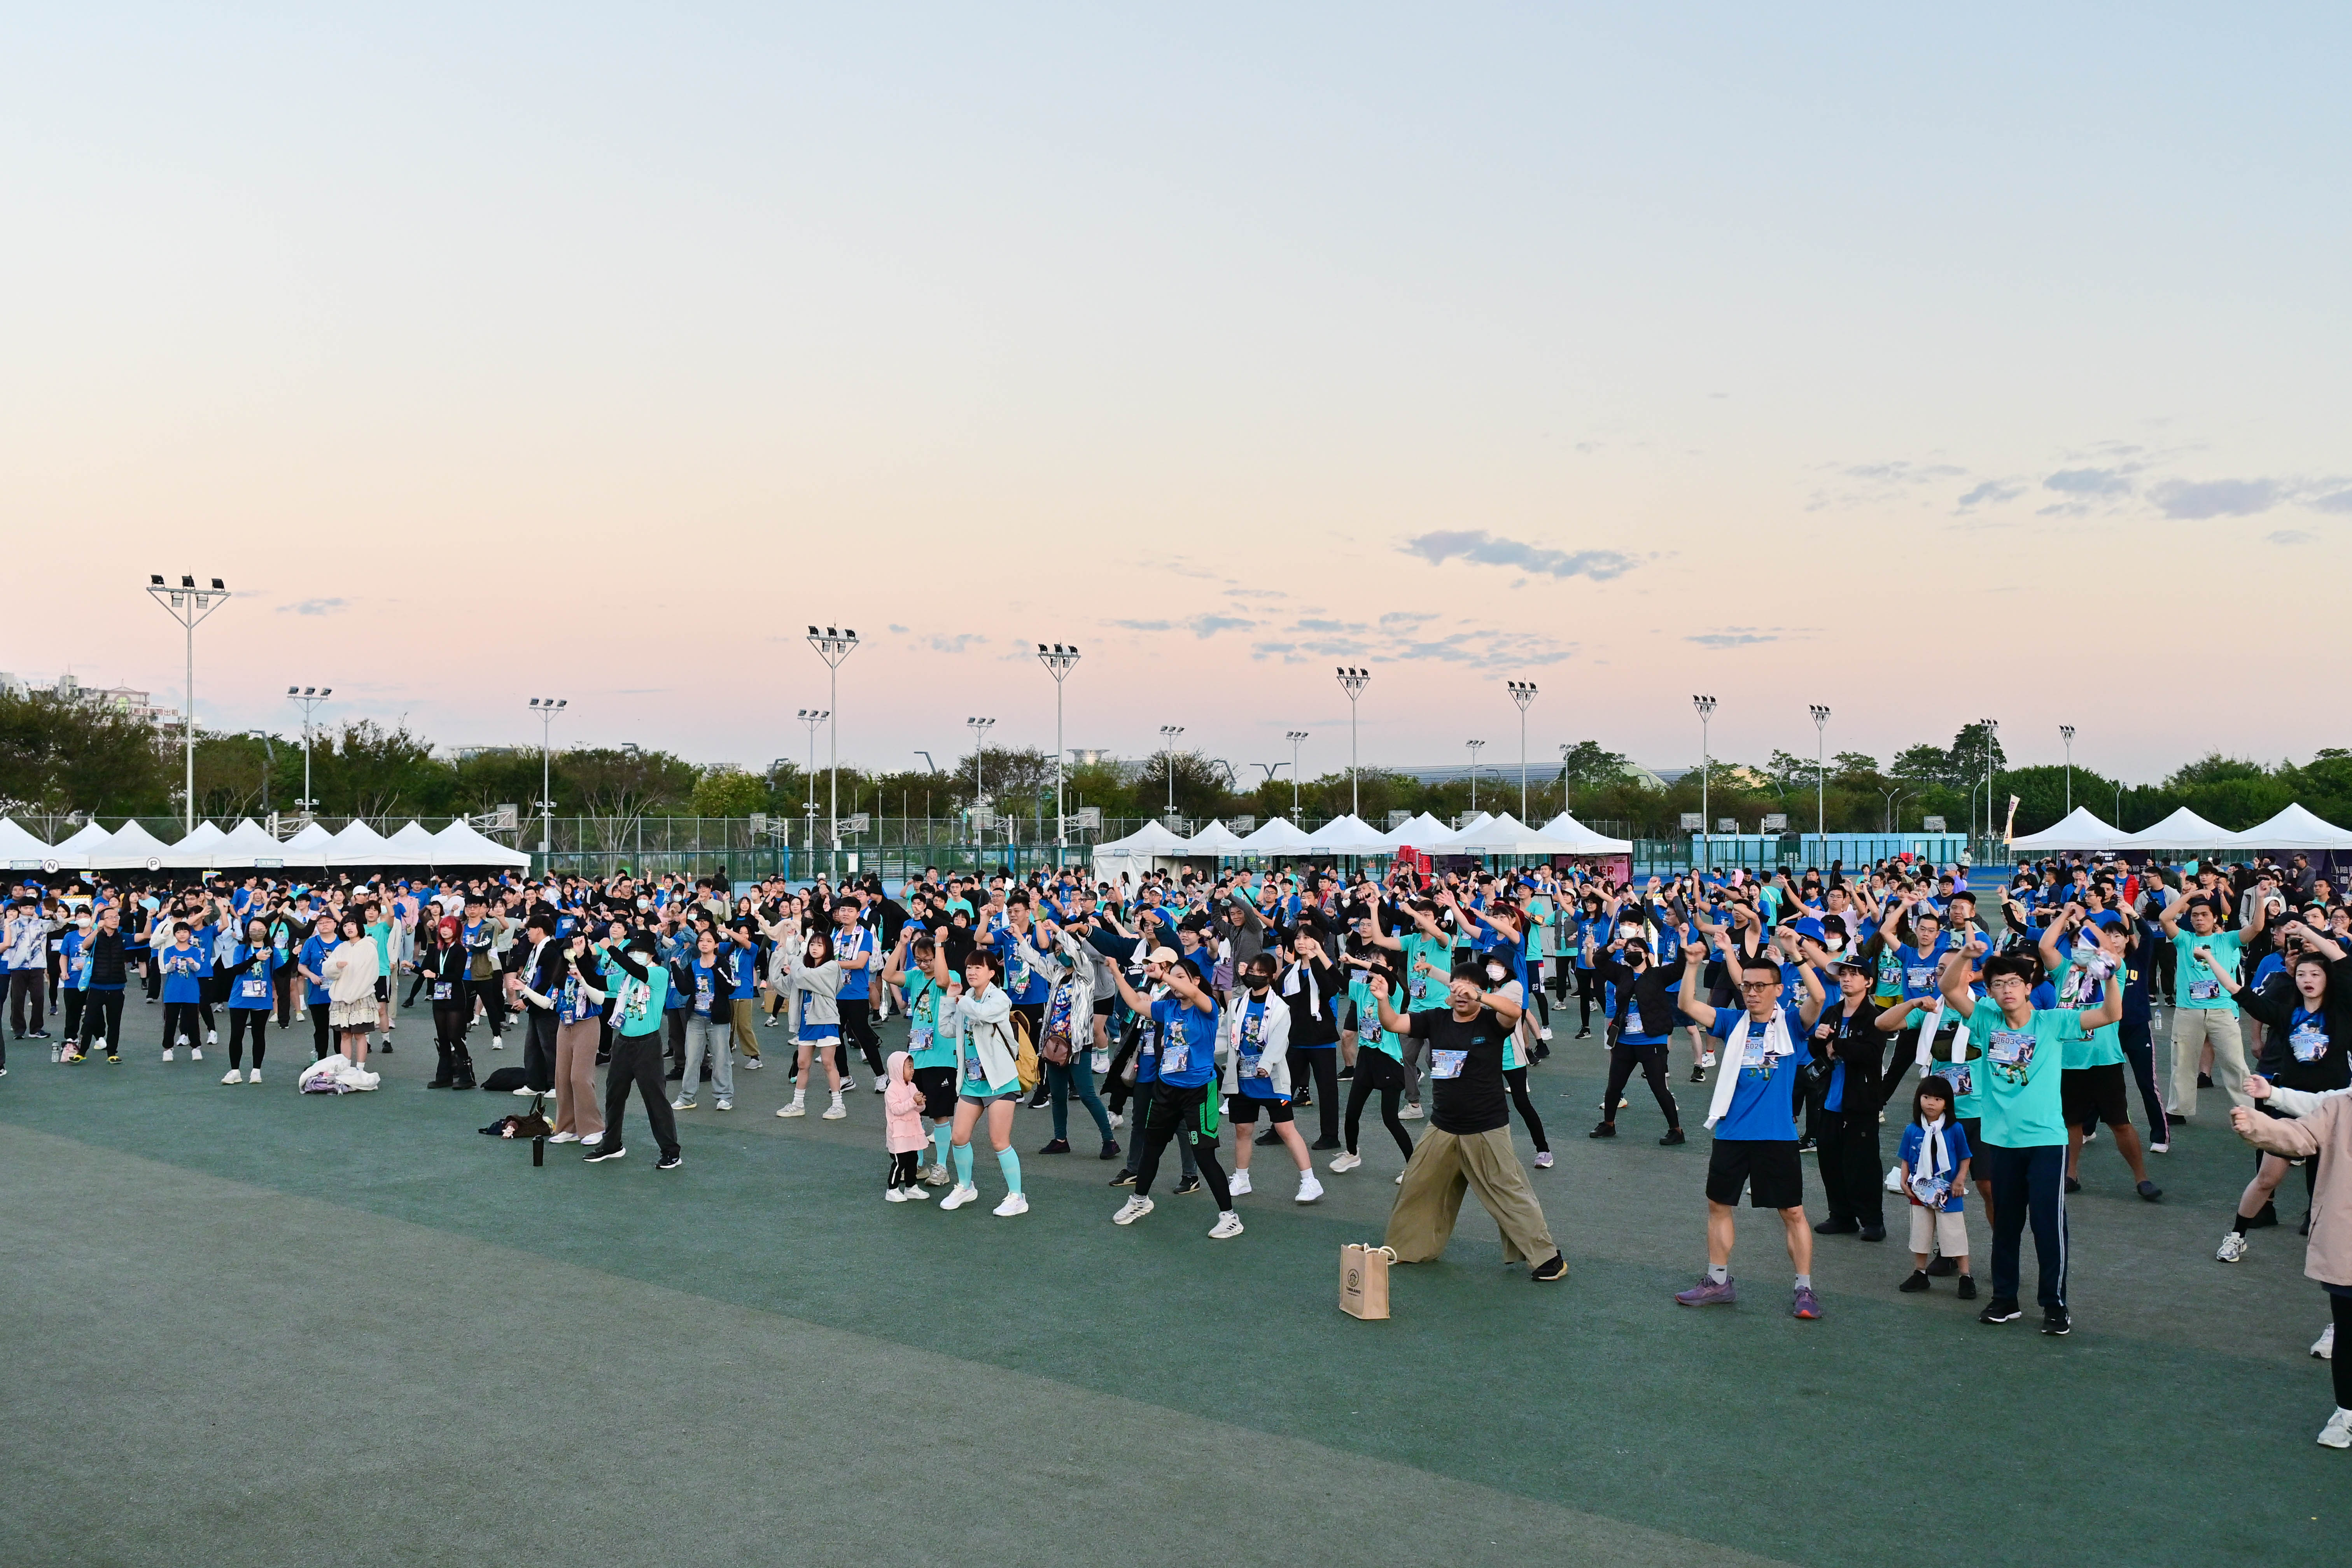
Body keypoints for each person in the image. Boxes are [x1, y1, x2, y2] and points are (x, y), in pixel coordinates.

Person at [1939, 942, 2122, 1335]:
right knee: (2006, 1225)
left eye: (2014, 983)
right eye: (1998, 984)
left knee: (2047, 1225)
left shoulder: (2052, 1022)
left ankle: (2055, 1304)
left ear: (2028, 987)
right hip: (2001, 1143)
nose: (2006, 990)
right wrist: (1966, 956)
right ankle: (2005, 1299)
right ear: (1990, 991)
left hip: (2046, 1144)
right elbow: (1949, 988)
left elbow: (2111, 1014)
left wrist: (2111, 978)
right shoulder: (1986, 1018)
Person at [1370, 960, 1567, 1283]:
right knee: (1417, 1186)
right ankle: (1406, 1248)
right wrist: (1382, 999)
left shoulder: (1492, 1021)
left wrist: (1479, 995)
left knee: (1509, 1193)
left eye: (1468, 990)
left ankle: (1549, 1258)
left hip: (1486, 1127)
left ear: (1481, 992)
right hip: (1442, 1126)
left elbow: (1514, 1012)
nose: (1461, 995)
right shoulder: (1435, 1018)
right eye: (1456, 988)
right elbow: (1392, 1023)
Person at [1672, 931, 1828, 1318]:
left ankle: (1805, 1289)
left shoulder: (1792, 1024)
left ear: (1778, 990)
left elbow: (1819, 999)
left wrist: (1797, 956)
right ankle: (1718, 1281)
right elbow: (1687, 1004)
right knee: (1718, 1205)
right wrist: (1692, 965)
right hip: (1731, 1132)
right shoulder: (1731, 1021)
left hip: (1777, 1135)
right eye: (1746, 986)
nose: (1752, 993)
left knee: (1793, 1212)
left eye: (1760, 986)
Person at [2210, 920, 2352, 1260]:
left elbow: (2342, 960)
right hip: (2288, 1106)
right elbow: (2241, 994)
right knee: (2267, 1178)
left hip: (2334, 1109)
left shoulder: (2343, 1010)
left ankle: (2327, 1249)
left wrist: (2306, 932)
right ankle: (2237, 1235)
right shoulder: (2287, 1012)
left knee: (2328, 1185)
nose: (2308, 980)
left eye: (2315, 974)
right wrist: (2209, 958)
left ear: (2328, 978)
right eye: (2302, 974)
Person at [2230, 1076, 2352, 1447]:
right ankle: (2347, 1414)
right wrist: (2259, 1127)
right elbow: (2300, 1135)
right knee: (2348, 1333)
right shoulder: (2341, 1105)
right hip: (2346, 1241)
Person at [1106, 947, 1242, 1238]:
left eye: (1182, 977)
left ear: (1196, 980)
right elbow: (1135, 1003)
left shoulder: (1207, 1008)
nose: (1175, 983)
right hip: (1167, 1088)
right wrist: (1116, 972)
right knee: (1152, 1147)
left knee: (1205, 1156)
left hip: (1198, 1092)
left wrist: (1165, 974)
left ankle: (1230, 1218)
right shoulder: (1167, 1008)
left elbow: (1192, 994)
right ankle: (1140, 1200)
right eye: (1173, 977)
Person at [2038, 910, 2163, 1201]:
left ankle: (2142, 1178)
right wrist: (2065, 915)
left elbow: (2109, 950)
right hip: (2068, 1061)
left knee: (2120, 1123)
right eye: (2074, 945)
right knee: (2072, 1122)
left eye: (2085, 945)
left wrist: (2087, 924)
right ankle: (2071, 1175)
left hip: (2105, 1059)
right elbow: (2045, 946)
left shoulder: (2111, 970)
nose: (2078, 950)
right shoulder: (2063, 971)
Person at [929, 945, 1029, 1217]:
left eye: (978, 968)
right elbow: (947, 1030)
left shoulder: (1000, 999)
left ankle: (1017, 1196)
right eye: (969, 967)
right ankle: (965, 1186)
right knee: (959, 1137)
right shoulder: (967, 1000)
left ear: (991, 973)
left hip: (1000, 1081)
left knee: (999, 1141)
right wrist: (949, 999)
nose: (971, 972)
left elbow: (982, 1014)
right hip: (971, 1081)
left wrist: (961, 1000)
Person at [1222, 953, 1324, 1205]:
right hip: (1243, 1081)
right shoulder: (1236, 1005)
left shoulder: (1280, 1009)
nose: (1255, 976)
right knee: (1243, 1129)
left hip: (1271, 1081)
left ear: (1271, 977)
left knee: (1285, 1129)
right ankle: (1242, 1178)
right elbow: (1225, 1036)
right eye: (1252, 972)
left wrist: (1266, 1065)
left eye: (1261, 973)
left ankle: (1310, 1181)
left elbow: (1280, 1041)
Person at [2159, 887, 2265, 1119]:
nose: (2200, 919)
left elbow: (2257, 927)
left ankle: (2250, 1109)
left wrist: (2260, 898)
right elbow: (2165, 919)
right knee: (2183, 1063)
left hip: (2222, 1011)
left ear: (2215, 918)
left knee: (2235, 1063)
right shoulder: (2184, 940)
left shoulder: (2228, 939)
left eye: (2205, 915)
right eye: (2195, 915)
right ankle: (2178, 1110)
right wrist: (2188, 897)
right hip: (2188, 1011)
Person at [584, 928, 682, 1170]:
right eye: (633, 951)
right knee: (614, 1095)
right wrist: (580, 958)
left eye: (640, 951)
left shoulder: (659, 973)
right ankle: (612, 1144)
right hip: (623, 1043)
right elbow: (597, 981)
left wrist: (610, 948)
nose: (635, 955)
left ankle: (671, 1151)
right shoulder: (625, 977)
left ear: (651, 954)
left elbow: (636, 969)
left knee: (655, 1098)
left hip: (647, 1044)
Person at [1808, 956, 1888, 1241]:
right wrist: (1818, 1039)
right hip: (1830, 1099)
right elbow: (1818, 1052)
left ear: (1868, 982)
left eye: (1854, 974)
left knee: (1863, 1164)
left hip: (1861, 1102)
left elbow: (1872, 1053)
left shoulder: (1875, 1017)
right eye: (1843, 973)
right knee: (1830, 1161)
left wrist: (1838, 1045)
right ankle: (1841, 1216)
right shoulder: (1832, 1012)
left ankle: (1873, 1221)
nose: (1847, 978)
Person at [1586, 929, 1686, 1145]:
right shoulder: (1622, 973)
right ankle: (1609, 1124)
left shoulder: (1658, 975)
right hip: (1624, 1040)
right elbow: (1599, 961)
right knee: (1614, 1086)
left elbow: (1680, 966)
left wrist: (1684, 940)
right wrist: (1613, 946)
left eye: (1636, 950)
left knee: (1659, 1087)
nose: (1631, 953)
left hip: (1653, 1040)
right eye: (1628, 951)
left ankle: (1676, 1130)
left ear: (1647, 954)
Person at [521, 933, 607, 1146]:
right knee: (562, 1078)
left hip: (587, 1025)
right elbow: (547, 1002)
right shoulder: (561, 976)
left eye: (576, 946)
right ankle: (568, 1127)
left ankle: (594, 1127)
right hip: (564, 1026)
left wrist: (582, 979)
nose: (572, 952)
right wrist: (525, 990)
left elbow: (600, 999)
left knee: (580, 1078)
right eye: (569, 948)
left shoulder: (593, 970)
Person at [1333, 950, 1414, 1173]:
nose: (1372, 965)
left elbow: (1383, 975)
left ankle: (1413, 1167)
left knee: (1390, 1119)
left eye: (1378, 962)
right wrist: (1319, 952)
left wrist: (1355, 961)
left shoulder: (1394, 993)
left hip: (1389, 1061)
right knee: (1351, 1114)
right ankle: (1352, 1154)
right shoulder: (1361, 990)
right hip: (1366, 1059)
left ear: (1390, 969)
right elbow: (1336, 976)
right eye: (1371, 961)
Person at [1895, 1076, 1975, 1298]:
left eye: (1938, 1099)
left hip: (1949, 1191)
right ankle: (1920, 1273)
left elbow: (1965, 1156)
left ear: (1947, 1104)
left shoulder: (1955, 1129)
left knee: (1954, 1233)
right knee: (1920, 1233)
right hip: (1920, 1190)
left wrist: (1960, 1180)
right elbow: (1905, 1158)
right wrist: (1904, 1181)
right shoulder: (1912, 1129)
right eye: (1926, 1097)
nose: (1931, 1103)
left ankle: (1966, 1276)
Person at [778, 925, 846, 1120]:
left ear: (828, 949)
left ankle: (838, 1105)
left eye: (820, 945)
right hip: (807, 1022)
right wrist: (782, 958)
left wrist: (796, 960)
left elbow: (803, 977)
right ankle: (798, 1104)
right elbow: (787, 982)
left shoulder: (832, 967)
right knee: (802, 1063)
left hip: (826, 1020)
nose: (814, 948)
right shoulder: (804, 967)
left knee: (828, 1063)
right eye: (812, 945)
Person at [673, 928, 737, 1114]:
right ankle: (687, 1097)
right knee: (692, 1059)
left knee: (721, 1059)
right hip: (696, 1018)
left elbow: (730, 988)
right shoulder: (693, 965)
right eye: (701, 941)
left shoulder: (722, 963)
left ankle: (724, 1097)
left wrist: (714, 968)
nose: (704, 944)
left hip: (718, 1020)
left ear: (716, 945)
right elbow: (685, 989)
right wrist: (675, 968)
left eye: (709, 941)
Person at [217, 917, 281, 1084]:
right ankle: (235, 1071)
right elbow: (236, 970)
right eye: (253, 929)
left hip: (262, 998)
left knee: (259, 1034)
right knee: (236, 1034)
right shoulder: (241, 949)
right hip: (240, 997)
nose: (257, 932)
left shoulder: (272, 951)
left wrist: (294, 956)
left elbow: (281, 972)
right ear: (248, 931)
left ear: (266, 931)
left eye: (260, 929)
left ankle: (256, 1071)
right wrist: (255, 958)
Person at [324, 915, 382, 1067]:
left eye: (352, 924)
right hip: (341, 997)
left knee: (360, 1035)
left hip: (361, 997)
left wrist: (354, 994)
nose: (349, 928)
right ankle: (345, 1067)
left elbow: (371, 975)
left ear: (359, 927)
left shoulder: (368, 947)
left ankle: (360, 1069)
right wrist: (336, 966)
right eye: (345, 925)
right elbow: (327, 969)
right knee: (345, 1035)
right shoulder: (341, 948)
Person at [882, 1048, 932, 1201]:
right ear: (898, 1069)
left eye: (913, 1067)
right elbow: (897, 1110)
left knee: (913, 1160)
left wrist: (921, 1104)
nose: (913, 1070)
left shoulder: (913, 1086)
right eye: (909, 1067)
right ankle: (892, 1190)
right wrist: (913, 1101)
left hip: (911, 1133)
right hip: (898, 1135)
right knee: (900, 1162)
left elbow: (918, 1110)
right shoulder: (892, 1090)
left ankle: (911, 1187)